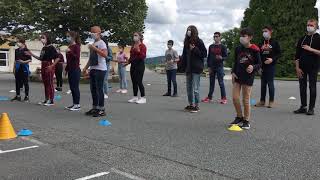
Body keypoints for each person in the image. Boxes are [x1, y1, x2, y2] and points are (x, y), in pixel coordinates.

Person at [229, 28, 262, 130]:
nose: (242, 38)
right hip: (238, 76)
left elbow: (259, 64)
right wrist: (233, 72)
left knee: (245, 99)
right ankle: (239, 116)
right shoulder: (238, 49)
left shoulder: (255, 49)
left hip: (248, 77)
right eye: (241, 35)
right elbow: (235, 62)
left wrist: (253, 67)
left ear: (250, 37)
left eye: (244, 36)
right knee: (235, 98)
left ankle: (246, 121)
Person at [293, 19, 320, 116]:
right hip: (302, 67)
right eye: (308, 25)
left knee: (312, 87)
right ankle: (303, 107)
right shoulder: (302, 38)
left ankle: (311, 108)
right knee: (302, 87)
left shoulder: (318, 38)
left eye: (312, 25)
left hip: (313, 67)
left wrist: (311, 49)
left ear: (316, 27)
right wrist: (297, 68)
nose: (309, 26)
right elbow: (297, 55)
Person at [26, 33, 60, 106]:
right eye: (41, 38)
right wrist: (31, 54)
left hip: (49, 65)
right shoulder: (44, 48)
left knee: (50, 83)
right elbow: (40, 58)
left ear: (47, 38)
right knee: (45, 84)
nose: (41, 39)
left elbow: (57, 58)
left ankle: (51, 100)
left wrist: (52, 66)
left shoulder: (51, 47)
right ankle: (46, 99)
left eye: (43, 37)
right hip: (43, 65)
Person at [181, 25, 207, 113]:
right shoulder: (186, 42)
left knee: (196, 88)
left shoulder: (199, 41)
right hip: (189, 68)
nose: (188, 31)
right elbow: (184, 55)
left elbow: (204, 54)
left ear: (193, 31)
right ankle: (191, 104)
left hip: (197, 68)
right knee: (189, 88)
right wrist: (182, 67)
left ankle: (196, 105)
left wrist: (195, 49)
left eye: (190, 30)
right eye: (187, 30)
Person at [83, 26, 108, 117]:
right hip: (93, 69)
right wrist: (85, 68)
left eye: (94, 32)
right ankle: (95, 108)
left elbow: (105, 55)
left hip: (100, 69)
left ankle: (101, 109)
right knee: (93, 89)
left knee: (99, 89)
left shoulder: (102, 43)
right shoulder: (93, 43)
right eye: (91, 32)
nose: (92, 33)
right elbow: (91, 58)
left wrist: (94, 49)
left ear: (99, 33)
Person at [255, 26, 281, 108]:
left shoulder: (275, 42)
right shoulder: (260, 43)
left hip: (271, 66)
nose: (264, 33)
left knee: (270, 84)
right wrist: (258, 67)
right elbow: (257, 55)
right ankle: (262, 101)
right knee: (263, 84)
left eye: (266, 31)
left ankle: (271, 101)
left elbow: (279, 53)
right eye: (263, 31)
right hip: (262, 66)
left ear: (270, 31)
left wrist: (272, 59)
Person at [202, 32, 228, 104]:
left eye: (217, 36)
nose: (215, 38)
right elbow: (209, 57)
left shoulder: (223, 46)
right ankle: (209, 97)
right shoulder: (211, 46)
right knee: (211, 83)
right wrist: (209, 67)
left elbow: (226, 57)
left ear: (220, 37)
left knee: (221, 83)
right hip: (212, 67)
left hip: (219, 67)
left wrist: (221, 58)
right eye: (214, 36)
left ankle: (224, 98)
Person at [127, 32, 147, 104]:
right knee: (134, 82)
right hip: (133, 65)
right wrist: (128, 62)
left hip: (140, 65)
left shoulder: (143, 46)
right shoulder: (133, 46)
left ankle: (143, 98)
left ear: (140, 37)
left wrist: (138, 50)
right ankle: (135, 97)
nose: (134, 37)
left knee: (139, 81)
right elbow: (132, 56)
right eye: (134, 35)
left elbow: (143, 56)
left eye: (136, 35)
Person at [65, 31, 81, 111]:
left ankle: (77, 104)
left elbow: (76, 58)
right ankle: (74, 103)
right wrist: (66, 69)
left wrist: (70, 52)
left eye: (68, 36)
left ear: (73, 37)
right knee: (72, 88)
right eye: (66, 36)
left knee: (75, 87)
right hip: (70, 69)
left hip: (75, 69)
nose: (67, 38)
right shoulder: (69, 46)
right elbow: (68, 61)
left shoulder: (76, 46)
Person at [11, 37, 32, 102]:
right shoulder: (16, 50)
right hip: (17, 67)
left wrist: (23, 62)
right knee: (17, 82)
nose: (17, 43)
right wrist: (14, 68)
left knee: (25, 82)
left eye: (18, 42)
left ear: (22, 43)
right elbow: (15, 60)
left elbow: (30, 59)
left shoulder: (26, 50)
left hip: (24, 67)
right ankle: (18, 96)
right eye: (16, 42)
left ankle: (26, 97)